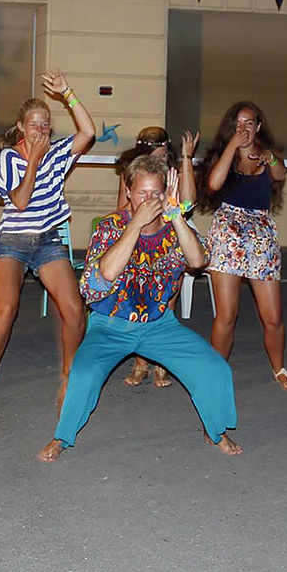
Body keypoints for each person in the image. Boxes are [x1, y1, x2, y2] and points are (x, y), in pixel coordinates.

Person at [38, 156, 241, 461]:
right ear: (129, 193)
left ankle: (216, 431)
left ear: (165, 194)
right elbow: (105, 274)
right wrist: (135, 224)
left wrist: (176, 216)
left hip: (159, 325)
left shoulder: (173, 228)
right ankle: (62, 437)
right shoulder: (110, 226)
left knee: (214, 368)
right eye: (142, 193)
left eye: (155, 193)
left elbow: (198, 261)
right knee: (83, 374)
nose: (148, 200)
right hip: (110, 324)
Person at [0, 69, 95, 395]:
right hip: (13, 240)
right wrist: (34, 163)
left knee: (75, 311)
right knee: (7, 308)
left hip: (47, 240)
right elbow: (20, 201)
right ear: (21, 127)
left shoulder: (57, 153)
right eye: (33, 124)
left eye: (45, 125)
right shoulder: (9, 157)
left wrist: (67, 93)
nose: (39, 130)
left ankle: (69, 370)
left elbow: (88, 132)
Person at [199, 101, 287, 390]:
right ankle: (216, 372)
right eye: (238, 124)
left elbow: (281, 175)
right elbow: (214, 184)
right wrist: (232, 146)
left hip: (261, 235)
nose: (243, 128)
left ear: (258, 126)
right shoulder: (223, 154)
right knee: (227, 315)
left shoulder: (267, 155)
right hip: (228, 235)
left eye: (249, 123)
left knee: (273, 317)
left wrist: (270, 158)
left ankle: (279, 369)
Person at [114, 126, 198, 388]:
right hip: (141, 234)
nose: (159, 160)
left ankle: (161, 363)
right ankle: (141, 362)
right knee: (139, 300)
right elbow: (121, 208)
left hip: (171, 231)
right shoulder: (133, 172)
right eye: (154, 155)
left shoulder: (173, 170)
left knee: (167, 301)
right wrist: (144, 205)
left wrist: (186, 159)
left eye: (163, 155)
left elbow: (189, 202)